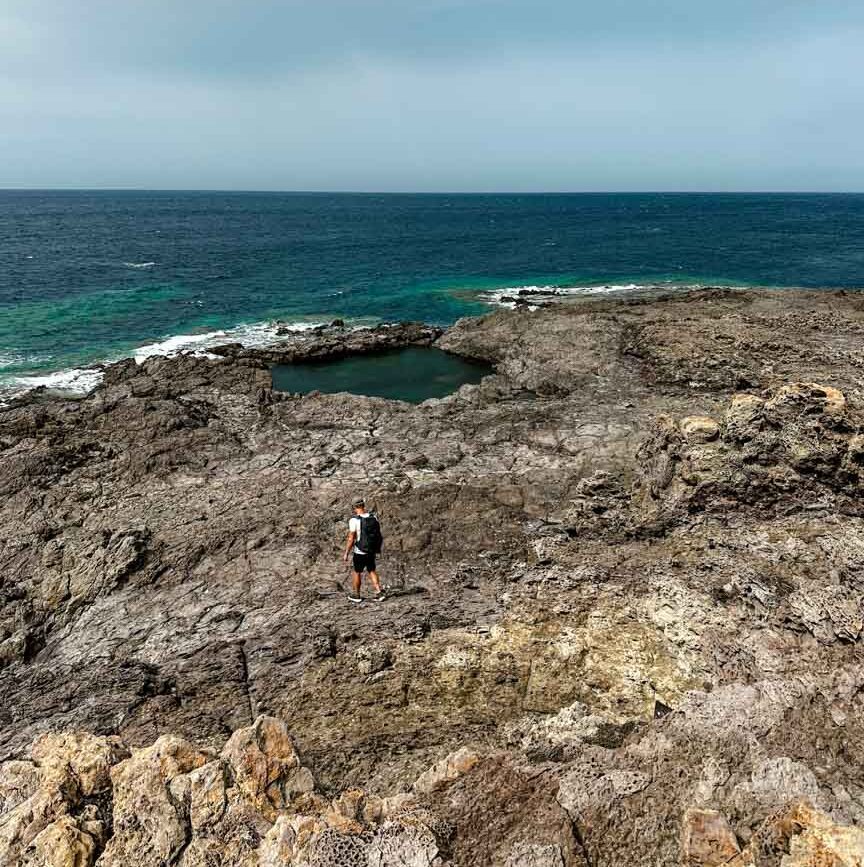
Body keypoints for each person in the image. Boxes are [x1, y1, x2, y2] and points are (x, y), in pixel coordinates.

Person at [343, 497, 384, 603]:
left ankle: (356, 595)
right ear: (363, 505)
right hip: (371, 550)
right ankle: (379, 592)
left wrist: (347, 552)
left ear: (353, 507)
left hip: (360, 551)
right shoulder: (373, 517)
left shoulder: (354, 520)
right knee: (371, 570)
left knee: (357, 572)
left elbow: (351, 538)